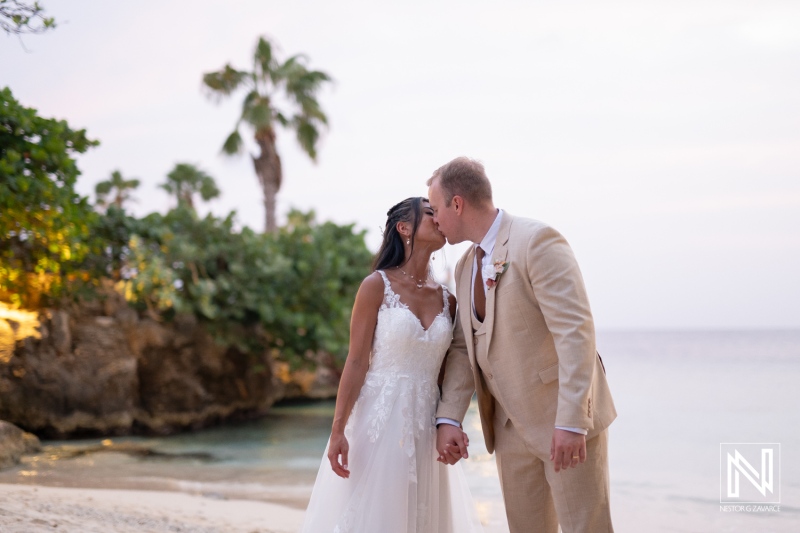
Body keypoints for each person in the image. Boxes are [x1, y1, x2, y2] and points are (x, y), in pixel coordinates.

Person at [428, 157, 617, 533]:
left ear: (458, 204)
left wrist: (572, 422)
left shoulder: (537, 241)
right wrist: (448, 416)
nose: (434, 219)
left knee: (586, 528)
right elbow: (465, 349)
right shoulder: (466, 266)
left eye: (435, 209)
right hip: (508, 429)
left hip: (561, 422)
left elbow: (575, 331)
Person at [300, 197, 483, 533]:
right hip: (378, 421)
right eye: (430, 213)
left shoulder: (448, 299)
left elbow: (448, 372)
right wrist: (337, 430)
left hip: (426, 423)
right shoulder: (375, 286)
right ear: (404, 227)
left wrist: (450, 423)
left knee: (423, 517)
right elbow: (355, 362)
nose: (439, 218)